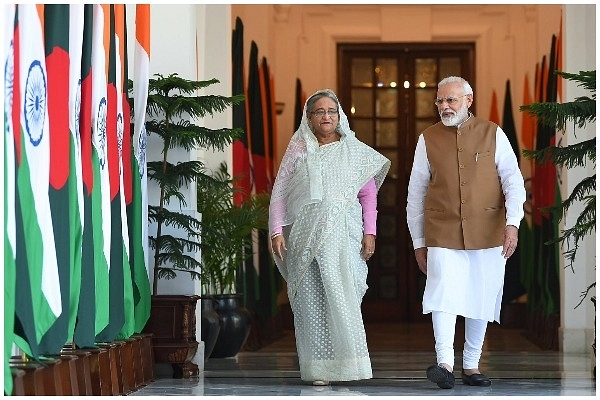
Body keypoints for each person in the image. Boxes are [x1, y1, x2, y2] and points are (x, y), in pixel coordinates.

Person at [406, 76, 526, 389]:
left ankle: (471, 365)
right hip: (441, 229)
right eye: (440, 101)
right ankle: (444, 363)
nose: (444, 106)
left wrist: (512, 223)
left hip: (489, 230)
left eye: (451, 100)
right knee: (442, 292)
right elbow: (415, 192)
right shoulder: (428, 138)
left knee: (480, 294)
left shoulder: (492, 133)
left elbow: (513, 182)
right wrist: (419, 242)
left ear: (468, 101)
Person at [269, 89, 390, 386]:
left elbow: (368, 196)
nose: (326, 116)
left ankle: (350, 366)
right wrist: (276, 231)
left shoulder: (354, 150)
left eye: (331, 111)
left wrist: (370, 232)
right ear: (308, 118)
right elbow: (280, 193)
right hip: (304, 238)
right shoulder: (299, 148)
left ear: (340, 116)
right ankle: (318, 370)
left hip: (343, 237)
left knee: (342, 296)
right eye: (319, 111)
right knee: (310, 301)